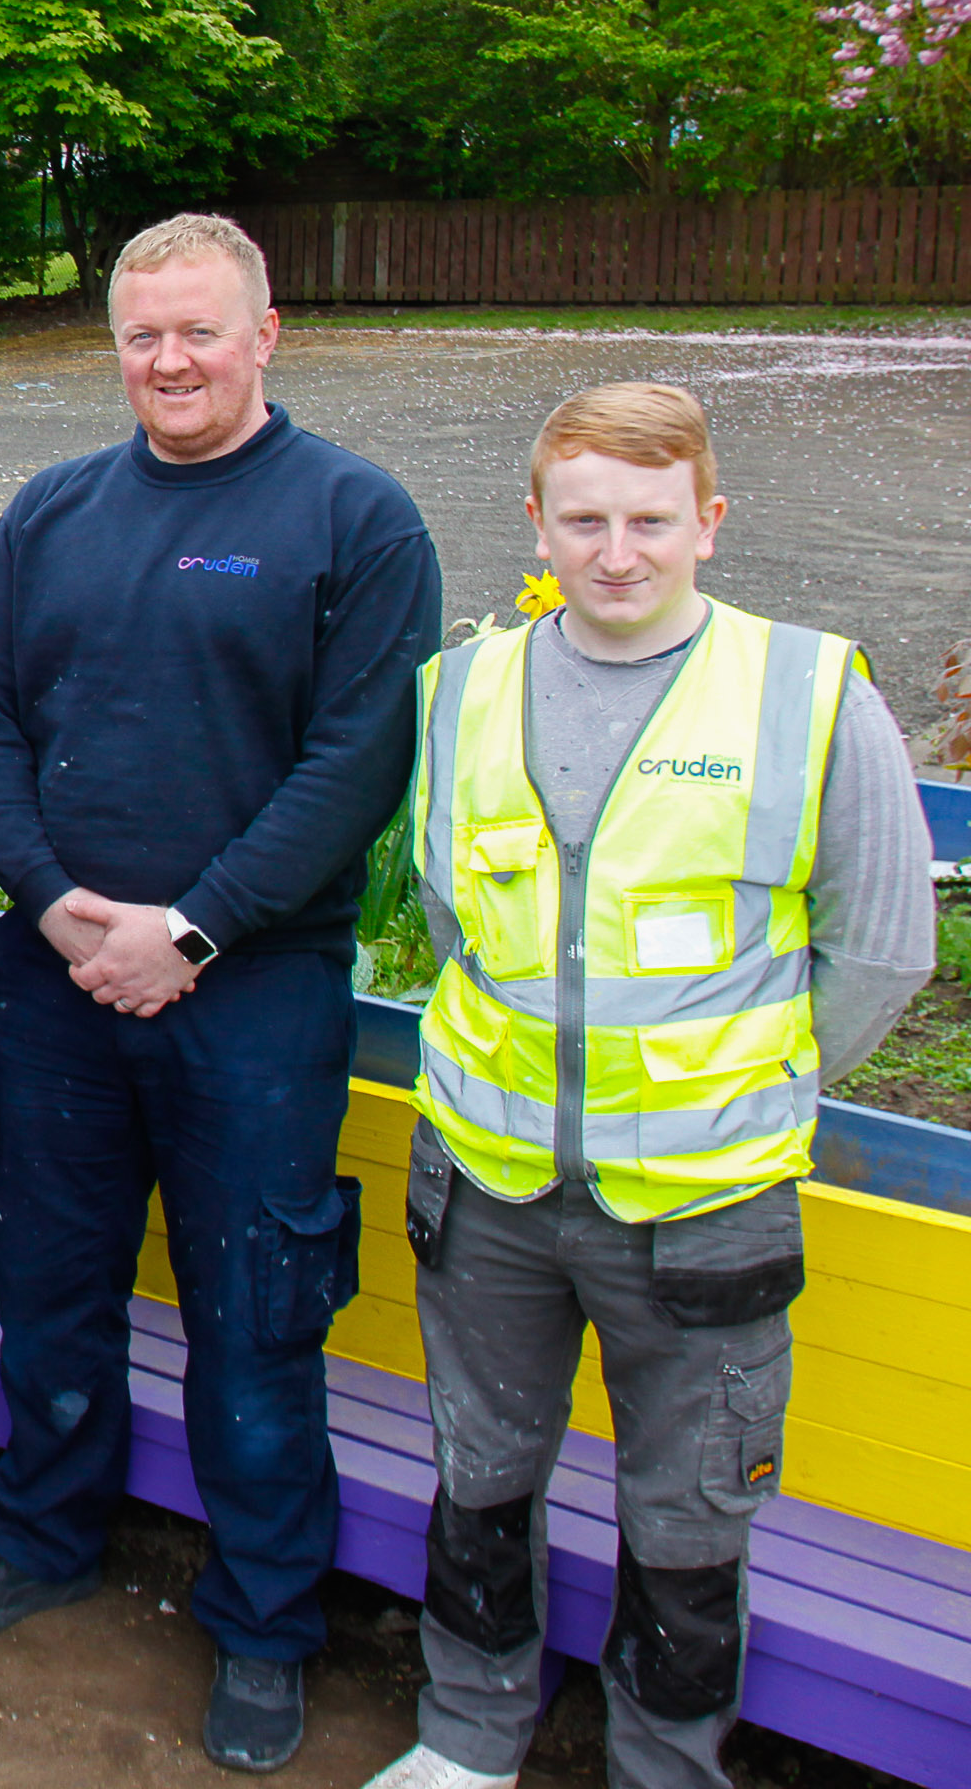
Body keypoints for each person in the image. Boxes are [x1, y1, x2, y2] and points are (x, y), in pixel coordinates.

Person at [0, 213, 442, 1774]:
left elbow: (359, 764)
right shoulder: (52, 511)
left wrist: (196, 931)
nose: (168, 362)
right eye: (142, 334)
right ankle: (44, 1533)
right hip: (60, 973)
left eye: (199, 331)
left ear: (267, 331)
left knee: (257, 1314)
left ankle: (268, 1618)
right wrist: (53, 899)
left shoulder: (358, 518)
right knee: (53, 1280)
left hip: (256, 1001)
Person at [360, 384, 933, 1789]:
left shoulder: (809, 695)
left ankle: (663, 1767)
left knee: (689, 1524)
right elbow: (449, 916)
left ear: (710, 525)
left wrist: (739, 1089)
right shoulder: (464, 689)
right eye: (586, 520)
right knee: (479, 1480)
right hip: (488, 1191)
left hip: (706, 1207)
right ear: (538, 524)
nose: (617, 552)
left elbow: (881, 950)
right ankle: (468, 1738)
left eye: (652, 522)